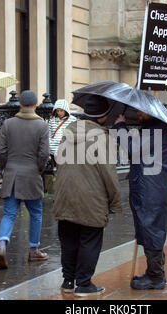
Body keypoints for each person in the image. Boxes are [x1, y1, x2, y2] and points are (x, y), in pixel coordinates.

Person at [54, 95, 122, 297]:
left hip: (65, 195)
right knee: (89, 239)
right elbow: (108, 173)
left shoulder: (69, 130)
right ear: (103, 116)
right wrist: (115, 202)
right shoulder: (102, 137)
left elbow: (59, 159)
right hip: (91, 198)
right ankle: (83, 284)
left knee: (68, 240)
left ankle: (68, 281)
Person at [113, 110, 167, 290]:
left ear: (151, 113)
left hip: (153, 189)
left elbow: (133, 149)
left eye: (141, 112)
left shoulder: (157, 130)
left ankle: (156, 276)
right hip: (151, 187)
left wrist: (120, 127)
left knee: (151, 229)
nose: (138, 115)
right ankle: (153, 271)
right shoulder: (153, 127)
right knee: (149, 229)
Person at [0, 90, 50, 269]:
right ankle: (34, 250)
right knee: (36, 213)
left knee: (9, 214)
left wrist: (7, 167)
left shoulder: (8, 124)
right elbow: (44, 154)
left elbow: (0, 151)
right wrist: (38, 169)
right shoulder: (42, 126)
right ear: (35, 105)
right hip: (32, 175)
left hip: (12, 175)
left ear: (20, 105)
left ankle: (2, 243)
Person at [48, 99, 77, 165]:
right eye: (57, 111)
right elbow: (48, 134)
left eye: (61, 110)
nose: (59, 113)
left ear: (65, 110)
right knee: (56, 169)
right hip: (53, 149)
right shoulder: (52, 120)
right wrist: (50, 144)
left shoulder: (73, 120)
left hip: (67, 149)